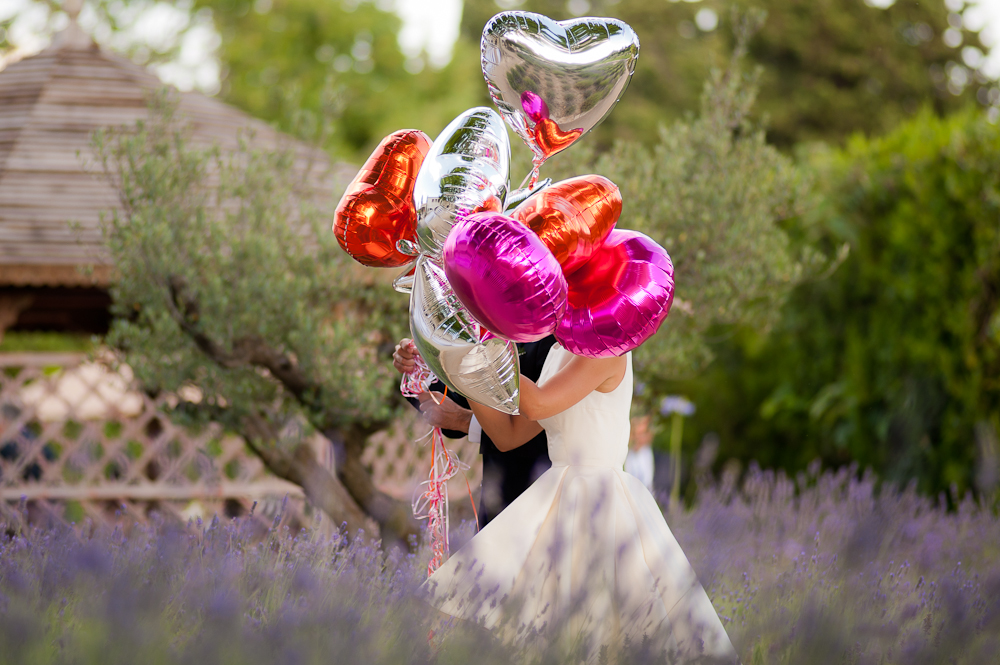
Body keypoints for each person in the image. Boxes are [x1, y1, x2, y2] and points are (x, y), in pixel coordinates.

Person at [420, 343, 740, 663]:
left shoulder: (607, 349)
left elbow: (537, 404)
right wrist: (467, 369)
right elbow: (509, 435)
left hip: (598, 501)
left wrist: (482, 355)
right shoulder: (559, 351)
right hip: (558, 494)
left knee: (602, 628)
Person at [393, 336, 557, 527]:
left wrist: (464, 420)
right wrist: (418, 368)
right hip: (497, 500)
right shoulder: (501, 331)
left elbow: (553, 425)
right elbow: (456, 401)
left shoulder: (567, 341)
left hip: (550, 497)